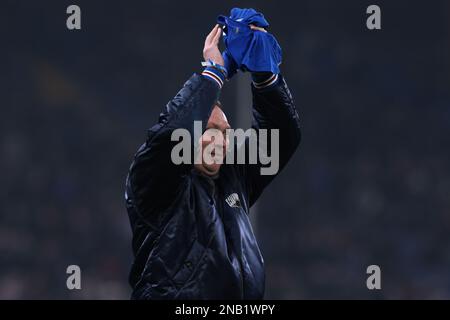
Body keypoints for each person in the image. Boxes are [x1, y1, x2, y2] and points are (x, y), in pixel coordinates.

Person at [125, 22, 301, 299]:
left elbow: (281, 136)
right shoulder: (154, 177)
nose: (220, 141)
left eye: (226, 133)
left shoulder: (233, 178)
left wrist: (266, 75)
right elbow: (171, 132)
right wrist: (212, 75)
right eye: (210, 131)